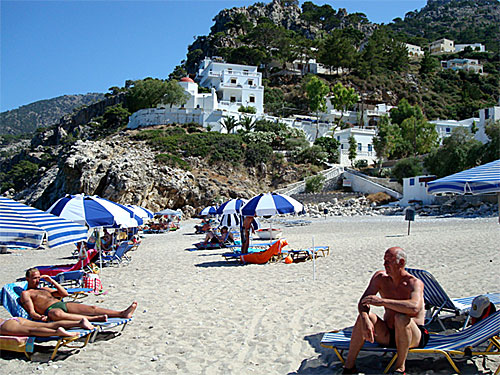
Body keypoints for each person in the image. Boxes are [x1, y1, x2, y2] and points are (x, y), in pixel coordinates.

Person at [342, 247, 428, 375]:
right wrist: (365, 318)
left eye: (389, 261)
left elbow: (414, 307)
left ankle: (400, 367)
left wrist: (382, 302)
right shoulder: (380, 278)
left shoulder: (414, 283)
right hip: (389, 333)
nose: (385, 264)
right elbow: (363, 302)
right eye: (384, 260)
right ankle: (349, 367)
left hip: (414, 335)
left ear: (402, 262)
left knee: (401, 317)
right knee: (364, 317)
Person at [20, 268, 137, 323]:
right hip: (50, 311)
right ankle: (93, 319)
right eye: (35, 278)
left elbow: (64, 294)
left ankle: (122, 313)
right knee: (55, 313)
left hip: (61, 304)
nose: (37, 280)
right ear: (27, 279)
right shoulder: (26, 294)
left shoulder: (45, 288)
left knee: (93, 308)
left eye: (39, 277)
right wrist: (40, 318)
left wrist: (52, 281)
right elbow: (32, 312)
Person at [0, 316, 94, 338]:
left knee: (31, 331)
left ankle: (56, 333)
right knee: (49, 325)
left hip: (5, 326)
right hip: (15, 319)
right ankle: (79, 323)